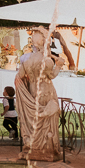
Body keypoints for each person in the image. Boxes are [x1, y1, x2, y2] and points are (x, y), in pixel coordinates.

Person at [14, 27, 64, 161]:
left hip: (32, 91)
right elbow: (52, 75)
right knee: (47, 120)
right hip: (46, 91)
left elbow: (20, 76)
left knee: (35, 120)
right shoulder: (46, 61)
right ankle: (47, 150)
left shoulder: (26, 60)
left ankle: (33, 147)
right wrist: (59, 65)